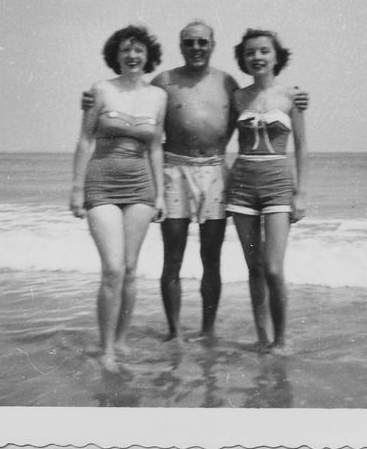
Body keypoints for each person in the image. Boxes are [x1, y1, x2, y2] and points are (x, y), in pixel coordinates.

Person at [82, 20, 309, 343]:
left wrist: (297, 99)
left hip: (215, 169)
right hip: (174, 169)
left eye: (202, 42)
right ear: (181, 46)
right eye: (189, 42)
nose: (196, 48)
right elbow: (132, 95)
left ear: (213, 45)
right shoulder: (164, 81)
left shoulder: (228, 84)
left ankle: (207, 329)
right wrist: (90, 101)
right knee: (172, 256)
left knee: (211, 257)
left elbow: (259, 106)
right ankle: (174, 332)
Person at [69, 25, 167, 372]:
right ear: (116, 55)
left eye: (138, 50)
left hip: (141, 185)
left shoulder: (158, 96)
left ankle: (122, 341)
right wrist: (77, 188)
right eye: (126, 50)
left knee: (129, 269)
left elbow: (156, 147)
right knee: (112, 268)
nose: (132, 56)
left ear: (148, 55)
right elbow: (84, 140)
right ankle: (106, 349)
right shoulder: (100, 89)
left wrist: (160, 195)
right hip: (102, 182)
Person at [226, 28, 307, 355]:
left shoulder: (292, 97)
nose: (257, 57)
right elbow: (218, 140)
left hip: (277, 184)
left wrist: (300, 193)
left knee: (273, 268)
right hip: (242, 184)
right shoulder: (238, 98)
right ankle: (262, 337)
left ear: (276, 56)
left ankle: (282, 340)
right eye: (250, 53)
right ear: (243, 60)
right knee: (254, 268)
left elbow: (301, 146)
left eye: (264, 51)